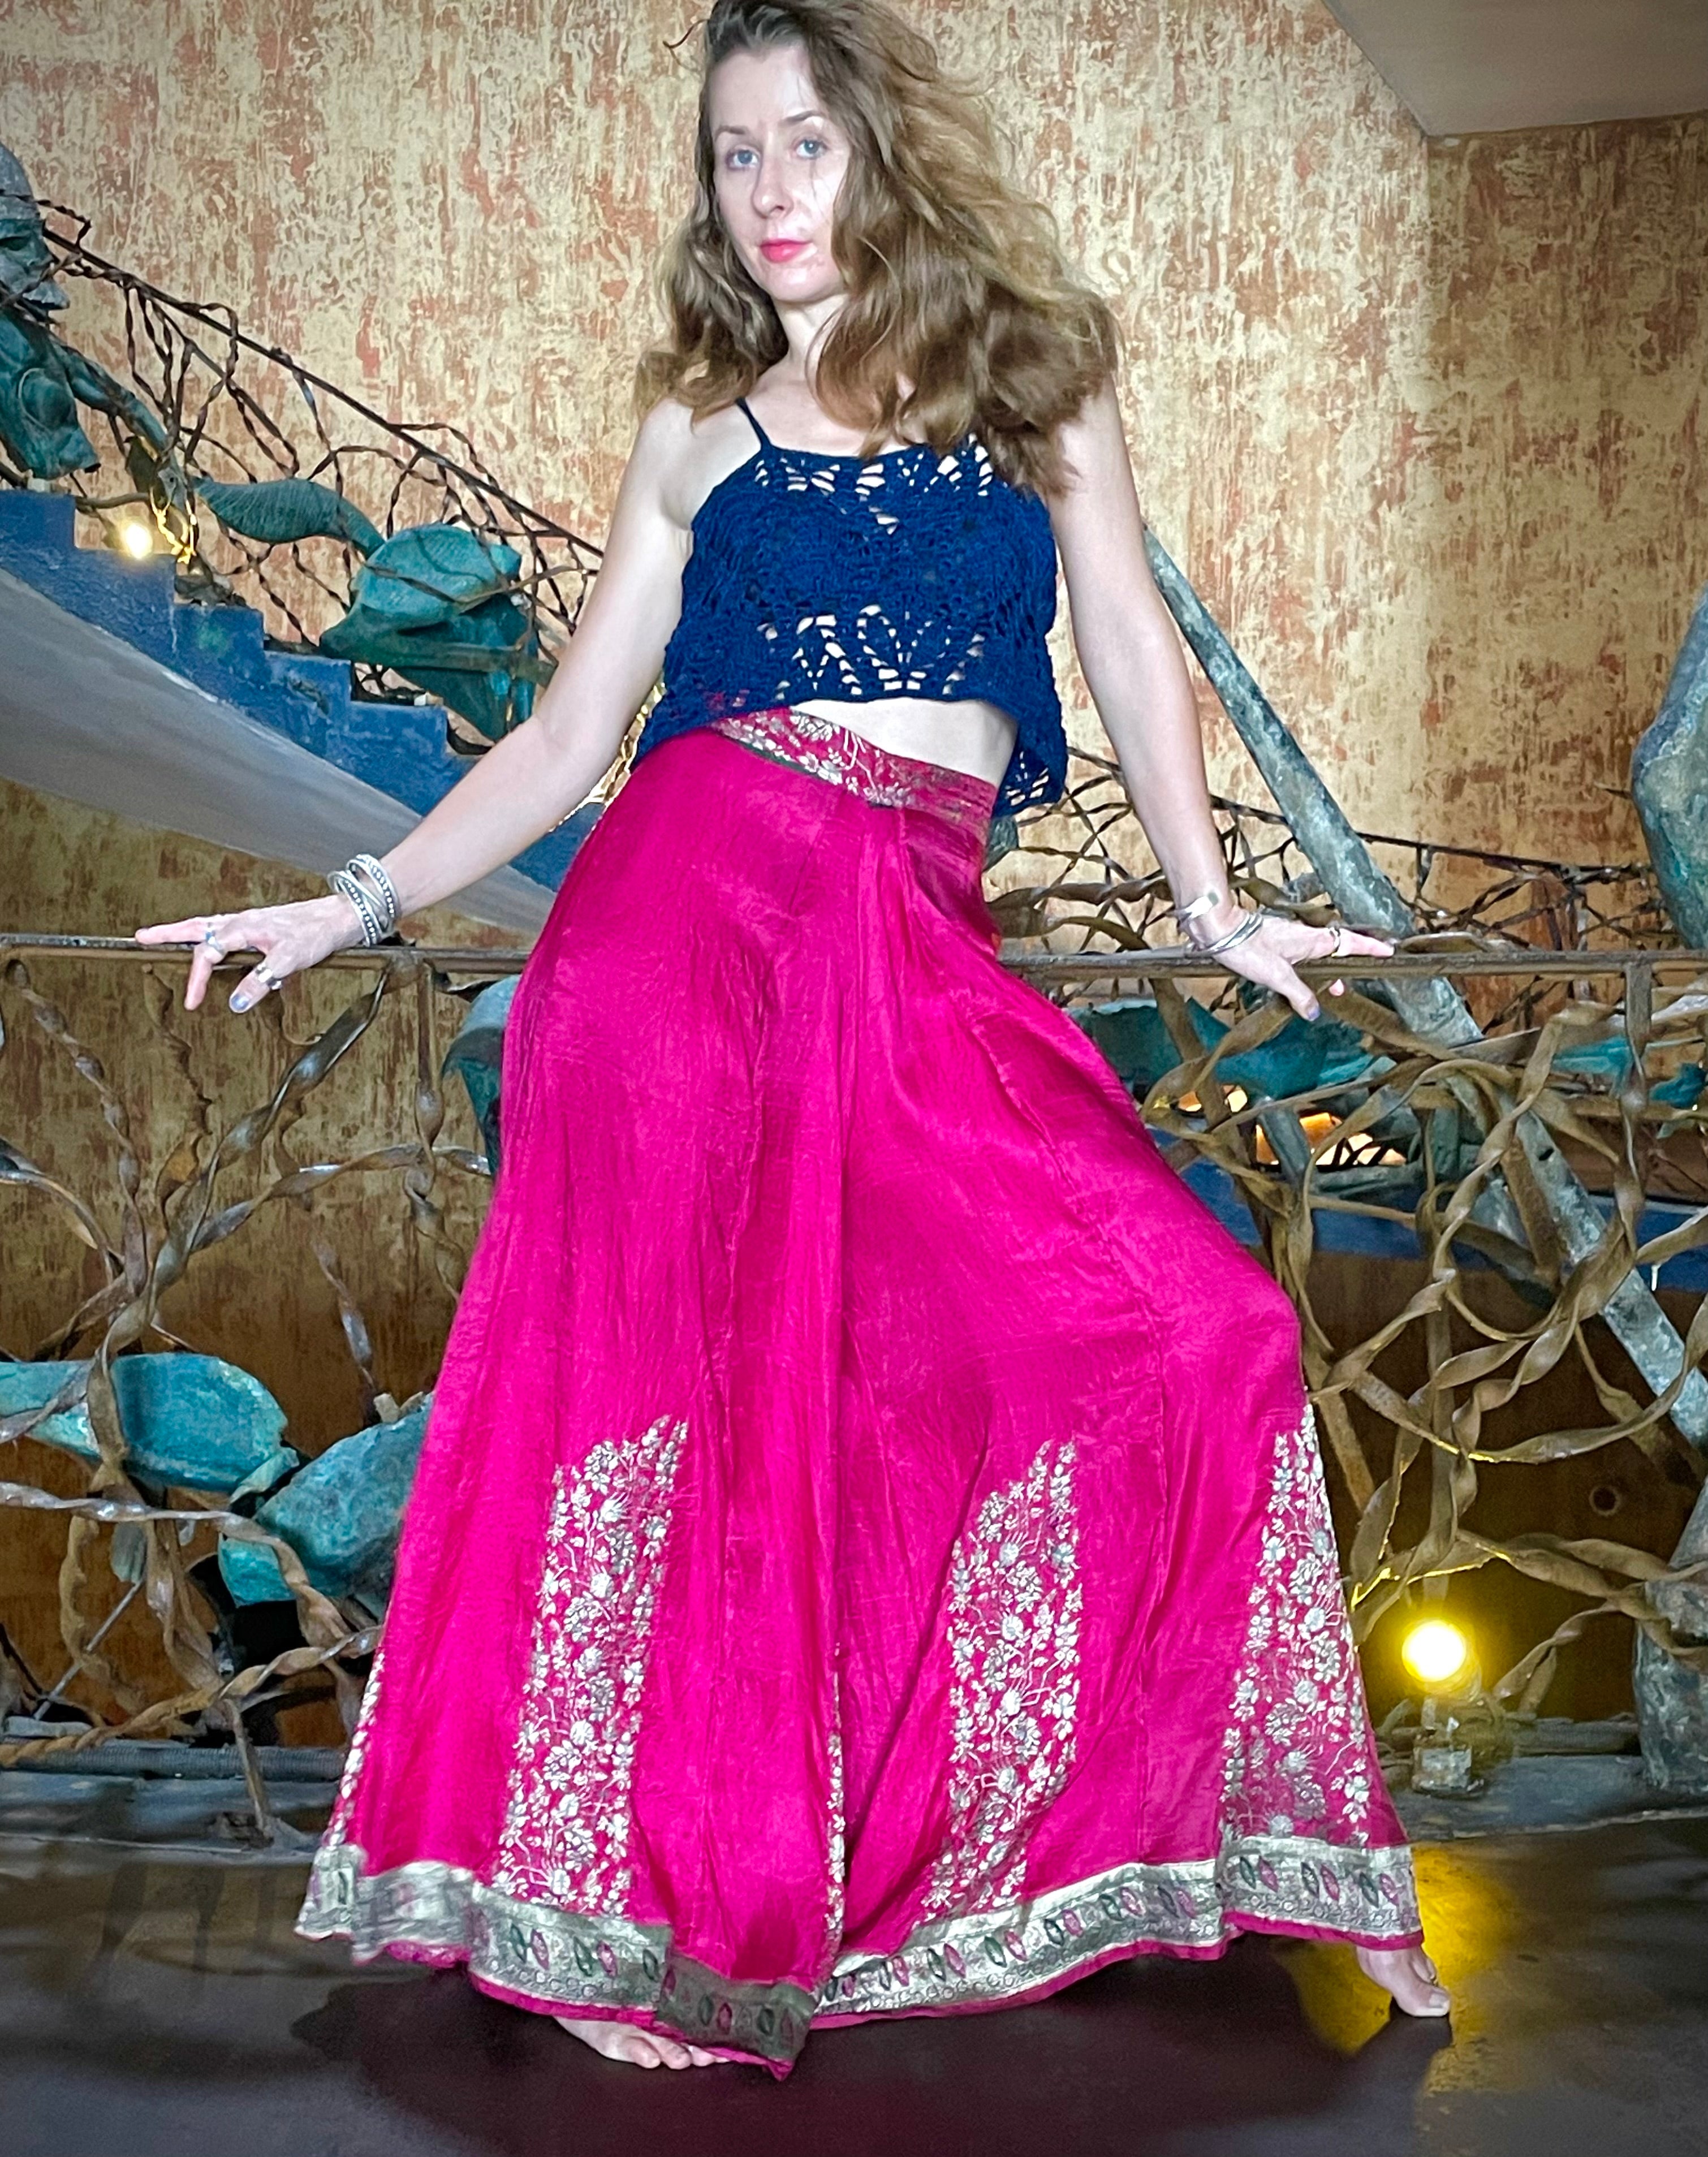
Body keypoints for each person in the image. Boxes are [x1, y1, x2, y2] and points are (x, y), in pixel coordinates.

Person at [136, 0, 1448, 2075]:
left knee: (1191, 1327)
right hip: (678, 942)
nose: (765, 191)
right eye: (733, 152)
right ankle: (627, 1926)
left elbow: (1126, 639)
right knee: (678, 1421)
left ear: (886, 151)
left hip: (907, 935)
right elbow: (571, 736)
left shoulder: (1035, 378)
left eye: (804, 145)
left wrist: (1214, 907)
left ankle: (1130, 1847)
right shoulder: (700, 428)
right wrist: (355, 898)